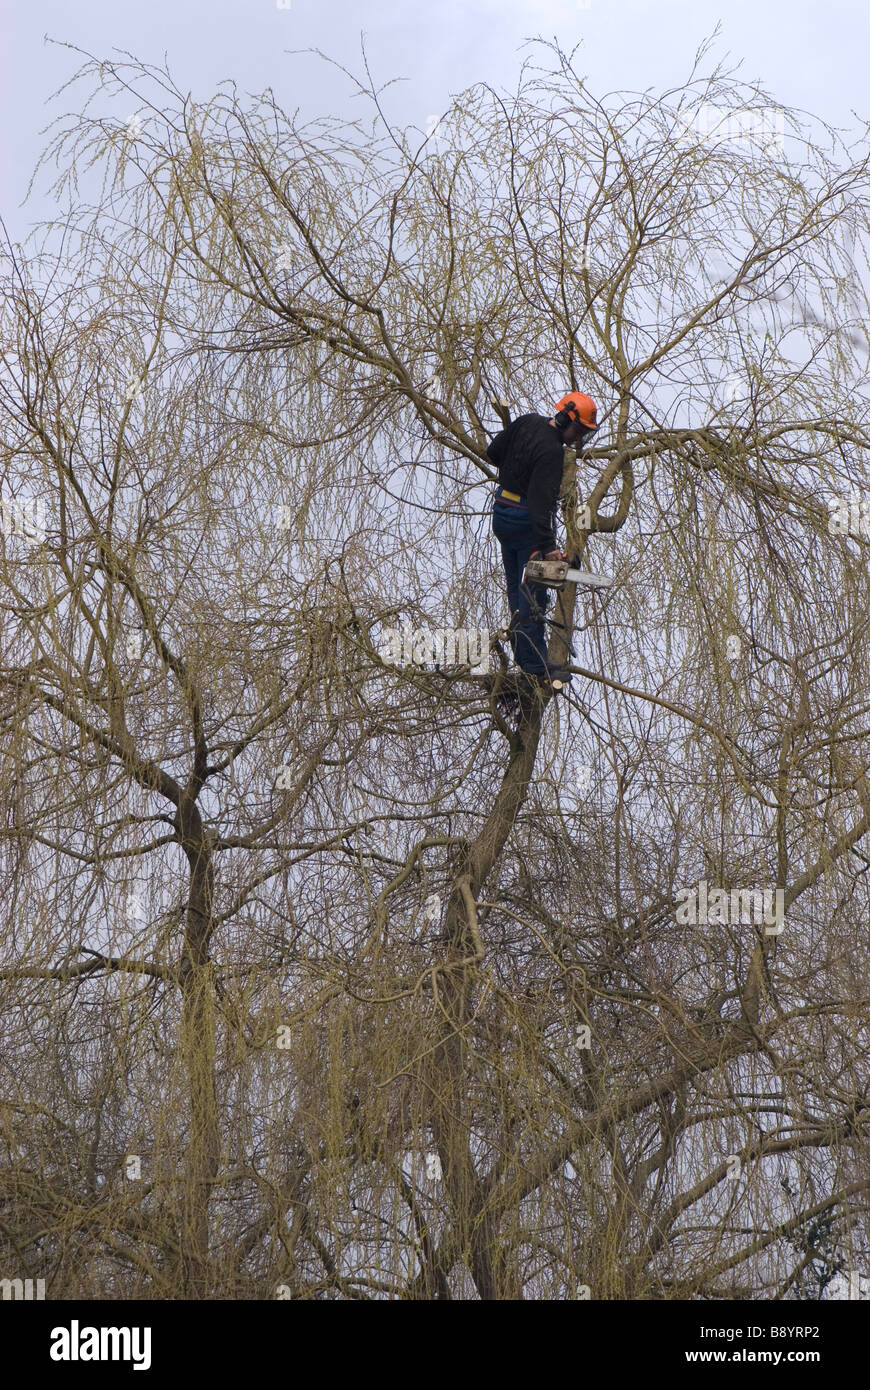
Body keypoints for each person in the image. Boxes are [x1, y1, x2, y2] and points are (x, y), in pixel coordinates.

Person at [488, 392, 599, 680]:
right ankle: (536, 666)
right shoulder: (553, 452)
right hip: (524, 522)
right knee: (532, 593)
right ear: (566, 419)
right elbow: (540, 503)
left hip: (501, 512)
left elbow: (493, 452)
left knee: (516, 588)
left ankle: (524, 659)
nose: (578, 438)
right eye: (579, 430)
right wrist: (548, 547)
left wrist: (516, 466)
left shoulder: (526, 422)